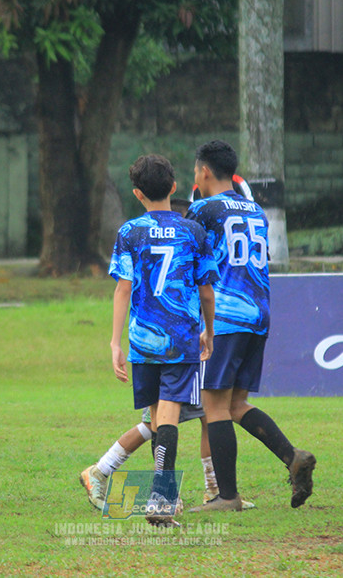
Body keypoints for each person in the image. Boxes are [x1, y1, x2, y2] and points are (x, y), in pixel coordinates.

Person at [81, 197, 254, 512]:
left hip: (167, 342)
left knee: (197, 415)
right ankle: (104, 472)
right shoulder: (182, 234)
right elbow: (200, 289)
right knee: (159, 422)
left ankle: (205, 491)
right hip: (175, 344)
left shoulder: (142, 232)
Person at [186, 140, 316, 513]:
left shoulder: (204, 209)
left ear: (205, 171)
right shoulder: (256, 210)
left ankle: (227, 497)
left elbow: (189, 259)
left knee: (214, 407)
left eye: (196, 171)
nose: (196, 176)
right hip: (259, 314)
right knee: (236, 404)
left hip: (225, 318)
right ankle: (292, 456)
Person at [109, 154, 218, 527]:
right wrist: (210, 329)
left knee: (158, 415)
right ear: (174, 187)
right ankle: (161, 497)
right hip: (180, 336)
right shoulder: (194, 232)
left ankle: (165, 496)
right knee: (168, 412)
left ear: (138, 193)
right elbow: (206, 291)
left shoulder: (129, 232)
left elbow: (123, 290)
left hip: (143, 339)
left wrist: (115, 342)